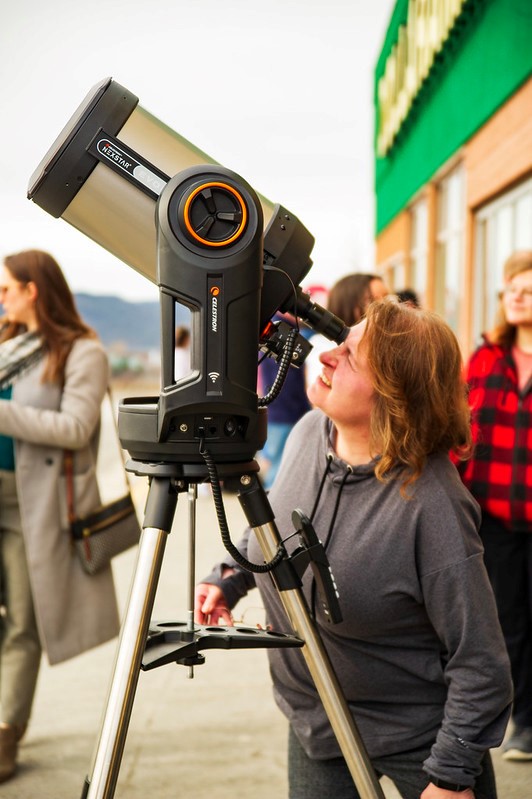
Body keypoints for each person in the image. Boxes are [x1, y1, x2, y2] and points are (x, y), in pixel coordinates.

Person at [196, 299, 512, 799]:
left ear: (395, 395)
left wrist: (451, 775)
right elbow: (272, 523)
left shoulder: (435, 506)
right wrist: (229, 577)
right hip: (317, 721)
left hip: (422, 742)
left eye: (350, 357)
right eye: (339, 343)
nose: (325, 356)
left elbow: (482, 664)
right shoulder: (307, 433)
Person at [0, 249, 120, 782]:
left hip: (34, 505)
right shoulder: (6, 343)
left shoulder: (81, 351)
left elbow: (74, 428)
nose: (0, 298)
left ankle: (5, 731)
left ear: (33, 290)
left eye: (6, 288)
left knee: (24, 622)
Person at [455, 250, 532, 762]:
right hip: (496, 520)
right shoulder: (483, 359)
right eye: (511, 289)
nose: (517, 296)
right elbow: (457, 430)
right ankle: (523, 721)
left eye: (528, 288)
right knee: (508, 623)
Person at [305, 273, 389, 389]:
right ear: (347, 304)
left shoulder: (386, 345)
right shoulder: (322, 345)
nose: (384, 309)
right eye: (372, 301)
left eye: (387, 299)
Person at [258, 312, 311, 489]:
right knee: (278, 471)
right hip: (285, 412)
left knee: (278, 465)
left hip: (281, 411)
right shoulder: (277, 331)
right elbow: (285, 380)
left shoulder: (278, 328)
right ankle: (273, 512)